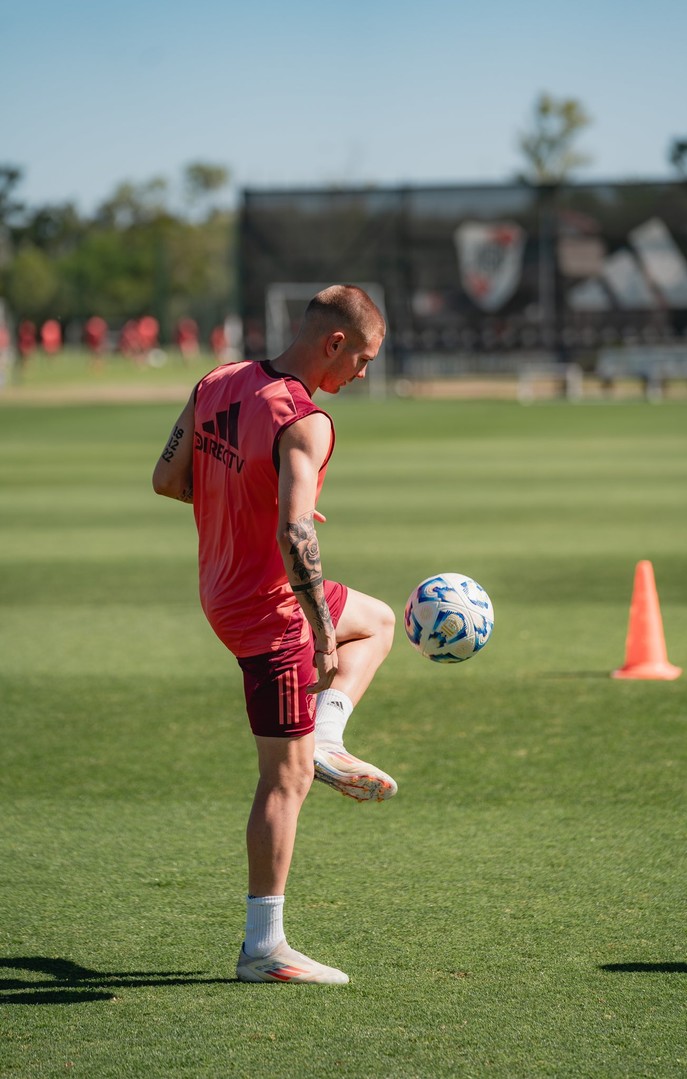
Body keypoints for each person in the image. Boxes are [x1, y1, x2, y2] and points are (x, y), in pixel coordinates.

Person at [152, 284, 396, 985]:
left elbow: (169, 479)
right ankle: (264, 947)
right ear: (335, 344)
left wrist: (244, 493)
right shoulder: (307, 420)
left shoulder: (216, 381)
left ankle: (328, 730)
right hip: (269, 611)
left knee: (378, 621)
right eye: (365, 359)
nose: (363, 374)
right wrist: (319, 628)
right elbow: (295, 530)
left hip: (219, 590)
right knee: (283, 781)